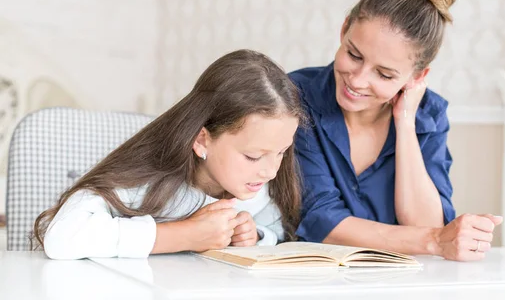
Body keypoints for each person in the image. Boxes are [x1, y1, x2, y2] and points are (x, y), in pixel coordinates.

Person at [290, 0, 502, 261]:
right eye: (354, 54)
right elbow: (322, 221)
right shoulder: (297, 96)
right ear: (344, 29)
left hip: (399, 285)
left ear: (417, 77)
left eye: (384, 74)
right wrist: (433, 240)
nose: (358, 80)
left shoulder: (428, 116)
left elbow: (426, 223)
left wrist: (404, 123)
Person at [34, 49, 304, 260]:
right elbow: (61, 237)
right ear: (202, 140)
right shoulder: (145, 181)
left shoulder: (257, 187)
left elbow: (277, 234)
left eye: (281, 152)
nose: (270, 171)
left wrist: (253, 236)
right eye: (253, 156)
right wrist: (184, 235)